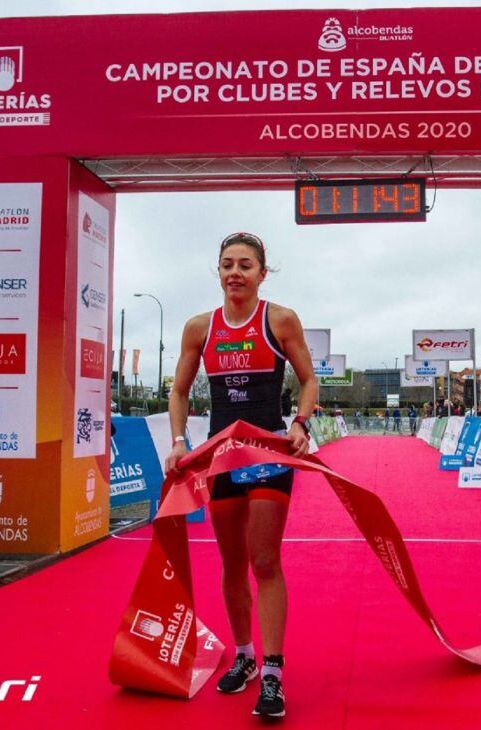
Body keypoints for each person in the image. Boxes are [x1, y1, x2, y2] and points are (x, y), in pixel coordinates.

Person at [166, 232, 317, 719]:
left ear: (261, 273)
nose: (236, 272)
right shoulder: (198, 328)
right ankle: (245, 656)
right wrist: (177, 442)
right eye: (228, 264)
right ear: (218, 271)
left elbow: (309, 379)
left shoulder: (279, 319)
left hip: (268, 452)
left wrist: (300, 424)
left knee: (265, 560)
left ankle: (272, 673)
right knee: (231, 564)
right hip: (222, 458)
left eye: (245, 265)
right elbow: (179, 392)